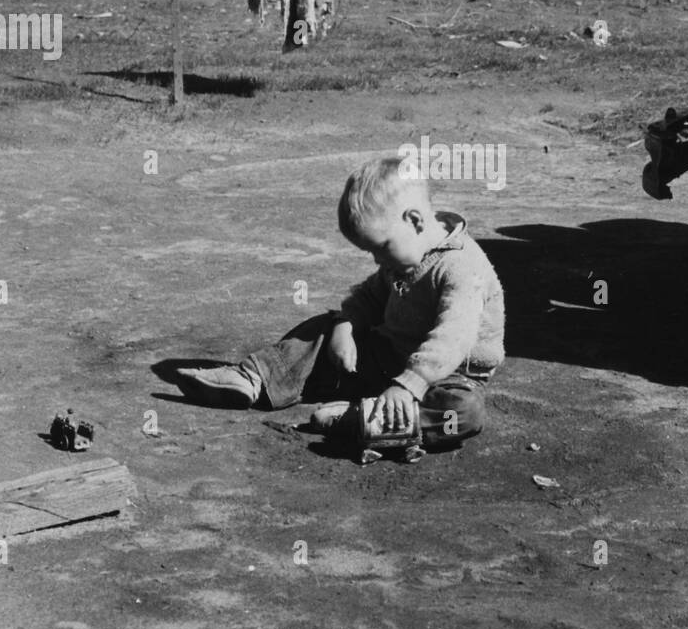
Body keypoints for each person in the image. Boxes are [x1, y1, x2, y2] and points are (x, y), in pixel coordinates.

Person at [178, 155, 505, 452]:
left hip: (446, 377)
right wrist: (345, 326)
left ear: (415, 221)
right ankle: (256, 378)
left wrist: (410, 384)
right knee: (322, 330)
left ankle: (366, 420)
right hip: (388, 358)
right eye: (371, 252)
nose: (377, 260)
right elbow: (370, 297)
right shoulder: (400, 261)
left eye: (381, 247)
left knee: (462, 413)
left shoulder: (461, 268)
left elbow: (454, 338)